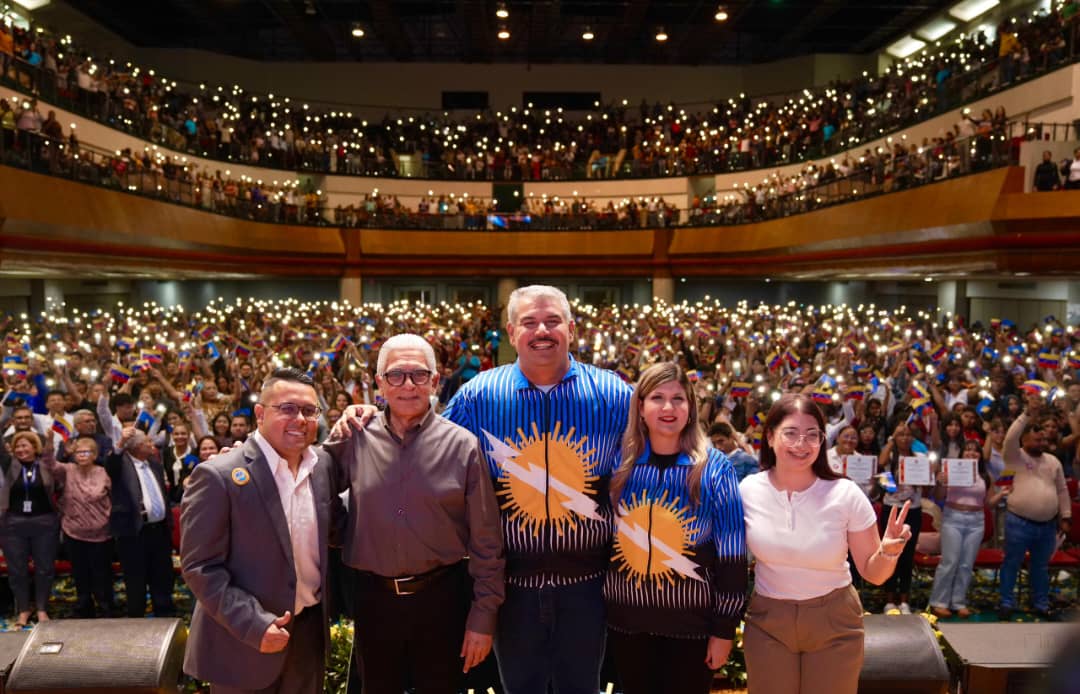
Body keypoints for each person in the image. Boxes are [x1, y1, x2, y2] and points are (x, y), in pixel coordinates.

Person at [441, 285, 633, 694]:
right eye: (529, 322)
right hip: (512, 588)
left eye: (552, 321)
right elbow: (428, 449)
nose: (541, 330)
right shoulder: (478, 396)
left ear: (572, 329)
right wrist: (370, 415)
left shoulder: (615, 395)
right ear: (511, 333)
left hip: (590, 585)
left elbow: (659, 457)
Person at [323, 334, 504, 694]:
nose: (407, 385)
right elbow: (312, 493)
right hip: (373, 599)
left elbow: (487, 541)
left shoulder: (462, 446)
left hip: (443, 599)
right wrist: (349, 533)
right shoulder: (353, 437)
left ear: (435, 381)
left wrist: (483, 617)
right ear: (379, 384)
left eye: (419, 375)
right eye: (395, 375)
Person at [739, 393, 912, 694]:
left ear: (822, 441)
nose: (801, 444)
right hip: (768, 621)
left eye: (812, 435)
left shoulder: (845, 493)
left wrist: (889, 551)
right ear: (769, 437)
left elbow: (874, 573)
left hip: (834, 622)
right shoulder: (747, 491)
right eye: (790, 433)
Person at [182, 368, 339, 694]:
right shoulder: (218, 475)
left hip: (307, 636)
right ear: (259, 413)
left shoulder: (322, 466)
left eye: (309, 411)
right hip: (243, 639)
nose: (300, 419)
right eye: (287, 409)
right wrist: (253, 624)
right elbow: (200, 568)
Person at [604, 363, 746, 694]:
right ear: (640, 407)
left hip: (692, 630)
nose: (668, 408)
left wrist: (724, 629)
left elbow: (733, 556)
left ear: (691, 408)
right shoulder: (618, 466)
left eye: (678, 399)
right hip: (628, 627)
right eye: (657, 397)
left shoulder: (714, 469)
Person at [998, 393, 1072, 620]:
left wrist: (1066, 515)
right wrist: (1026, 414)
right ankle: (1006, 602)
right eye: (1036, 439)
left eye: (1043, 440)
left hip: (1047, 526)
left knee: (1040, 568)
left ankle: (1041, 603)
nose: (1041, 443)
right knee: (1011, 563)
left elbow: (1062, 490)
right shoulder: (1015, 456)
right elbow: (1010, 437)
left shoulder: (1053, 461)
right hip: (1018, 521)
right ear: (1025, 440)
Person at [928, 439, 1008, 618]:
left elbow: (988, 503)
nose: (972, 454)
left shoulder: (984, 475)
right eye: (968, 451)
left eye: (976, 451)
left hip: (976, 521)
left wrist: (1002, 494)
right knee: (950, 561)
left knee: (966, 564)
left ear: (980, 455)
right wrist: (941, 482)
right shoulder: (950, 470)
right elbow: (939, 496)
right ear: (962, 454)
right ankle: (938, 601)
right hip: (953, 518)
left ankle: (958, 601)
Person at [107, 427, 175, 618]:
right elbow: (110, 464)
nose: (152, 445)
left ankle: (165, 617)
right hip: (134, 532)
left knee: (162, 576)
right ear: (136, 446)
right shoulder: (122, 465)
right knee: (136, 579)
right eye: (147, 442)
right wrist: (120, 443)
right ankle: (137, 621)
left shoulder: (155, 465)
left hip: (159, 531)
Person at [41, 436, 113, 617]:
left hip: (101, 532)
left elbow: (114, 497)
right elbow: (49, 464)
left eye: (86, 452)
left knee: (101, 572)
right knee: (80, 572)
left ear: (95, 455)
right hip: (74, 531)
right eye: (79, 452)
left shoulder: (104, 472)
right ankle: (84, 605)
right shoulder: (68, 470)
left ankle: (105, 606)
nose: (82, 455)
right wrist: (49, 444)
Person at [0, 431, 61, 627]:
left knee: (45, 568)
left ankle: (42, 609)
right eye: (17, 446)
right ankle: (24, 610)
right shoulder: (10, 464)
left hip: (44, 523)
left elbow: (52, 456)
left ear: (35, 448)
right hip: (14, 524)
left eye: (25, 446)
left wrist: (51, 441)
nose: (20, 449)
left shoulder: (46, 465)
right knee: (17, 570)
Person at [874, 422, 928, 614]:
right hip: (892, 508)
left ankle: (904, 599)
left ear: (913, 438)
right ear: (894, 438)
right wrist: (891, 439)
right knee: (889, 552)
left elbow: (928, 480)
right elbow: (880, 466)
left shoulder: (920, 457)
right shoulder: (889, 456)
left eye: (907, 435)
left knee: (907, 555)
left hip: (913, 509)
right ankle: (889, 599)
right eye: (900, 435)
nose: (904, 438)